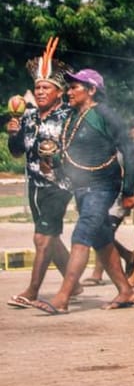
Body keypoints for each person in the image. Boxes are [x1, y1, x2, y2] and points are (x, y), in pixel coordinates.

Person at [33, 68, 134, 314]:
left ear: (92, 90)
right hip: (82, 187)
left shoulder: (104, 115)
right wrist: (53, 162)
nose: (69, 92)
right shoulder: (71, 116)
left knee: (81, 235)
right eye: (68, 87)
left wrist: (129, 191)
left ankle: (62, 298)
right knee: (102, 239)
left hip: (103, 187)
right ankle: (126, 290)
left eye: (74, 87)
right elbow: (70, 152)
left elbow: (130, 152)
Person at [4, 38, 74, 310]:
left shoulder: (69, 116)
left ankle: (32, 291)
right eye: (37, 87)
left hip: (60, 185)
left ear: (58, 92)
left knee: (42, 238)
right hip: (35, 186)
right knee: (50, 237)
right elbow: (17, 153)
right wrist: (13, 134)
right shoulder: (29, 117)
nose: (41, 91)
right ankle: (74, 281)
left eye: (46, 87)